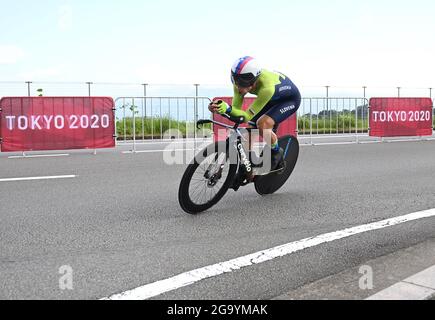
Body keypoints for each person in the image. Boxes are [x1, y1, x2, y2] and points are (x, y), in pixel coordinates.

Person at [209, 56, 301, 171]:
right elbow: (236, 110)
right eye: (235, 81)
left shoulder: (267, 88)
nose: (238, 87)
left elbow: (245, 116)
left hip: (289, 100)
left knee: (263, 124)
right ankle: (248, 165)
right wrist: (219, 108)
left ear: (254, 80)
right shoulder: (239, 83)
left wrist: (227, 109)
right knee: (251, 128)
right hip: (271, 99)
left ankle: (277, 152)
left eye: (242, 83)